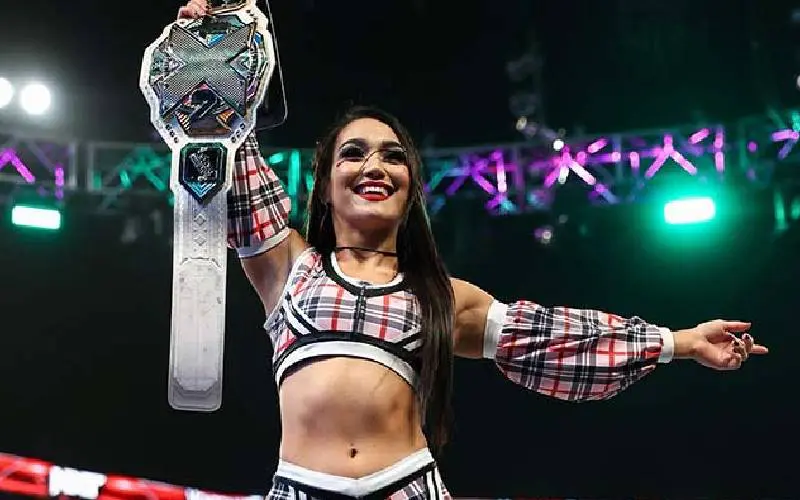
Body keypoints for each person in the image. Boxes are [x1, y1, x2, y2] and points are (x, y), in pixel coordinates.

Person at [176, 3, 769, 497]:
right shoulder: (290, 269)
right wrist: (206, 46)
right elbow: (224, 150)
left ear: (410, 190)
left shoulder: (439, 295)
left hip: (407, 486)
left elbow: (556, 339)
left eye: (393, 157)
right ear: (325, 187)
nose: (374, 165)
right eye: (353, 154)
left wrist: (681, 342)